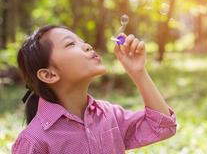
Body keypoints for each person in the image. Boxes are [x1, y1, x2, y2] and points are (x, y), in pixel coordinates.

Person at [12, 25, 177, 154]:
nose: (87, 46)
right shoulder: (34, 141)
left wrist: (138, 71)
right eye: (70, 43)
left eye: (82, 41)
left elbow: (162, 126)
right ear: (49, 75)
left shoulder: (109, 115)